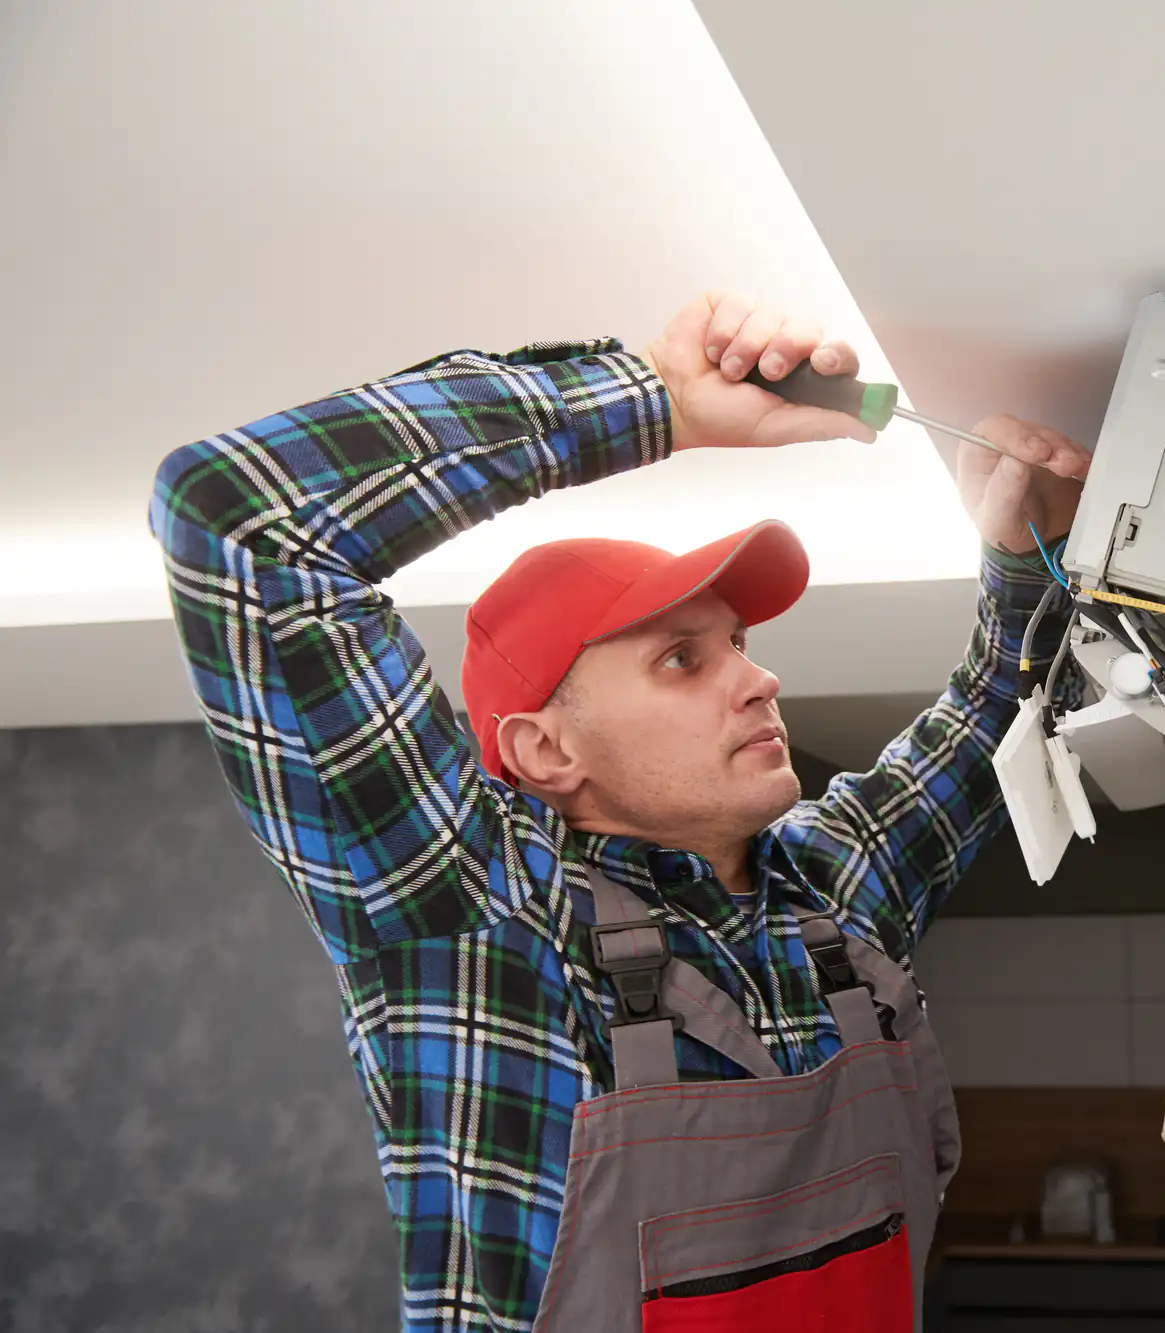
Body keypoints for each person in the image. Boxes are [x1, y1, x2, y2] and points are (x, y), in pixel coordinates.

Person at [148, 292, 1091, 1332]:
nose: (759, 678)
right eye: (683, 659)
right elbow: (237, 520)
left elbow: (998, 707)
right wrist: (655, 404)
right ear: (545, 750)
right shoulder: (484, 915)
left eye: (737, 643)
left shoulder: (833, 895)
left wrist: (1025, 553)